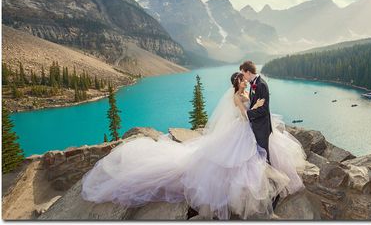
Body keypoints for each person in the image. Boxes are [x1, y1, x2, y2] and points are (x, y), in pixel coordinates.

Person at [81, 71, 306, 220]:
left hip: (243, 133)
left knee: (244, 160)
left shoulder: (243, 93)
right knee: (236, 162)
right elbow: (245, 117)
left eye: (245, 80)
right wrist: (254, 105)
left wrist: (254, 102)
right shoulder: (238, 97)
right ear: (237, 83)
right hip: (241, 131)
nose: (246, 82)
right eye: (243, 81)